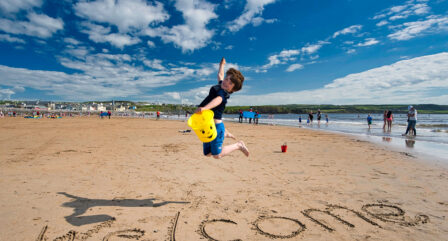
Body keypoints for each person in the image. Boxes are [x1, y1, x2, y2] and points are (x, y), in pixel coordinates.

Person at [195, 57, 249, 159]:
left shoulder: (223, 94)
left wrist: (205, 108)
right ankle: (225, 133)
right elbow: (220, 75)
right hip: (208, 125)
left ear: (233, 89)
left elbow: (218, 100)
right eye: (226, 79)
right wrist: (222, 65)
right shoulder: (221, 85)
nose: (226, 82)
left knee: (217, 155)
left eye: (230, 83)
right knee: (207, 153)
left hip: (216, 126)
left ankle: (238, 145)